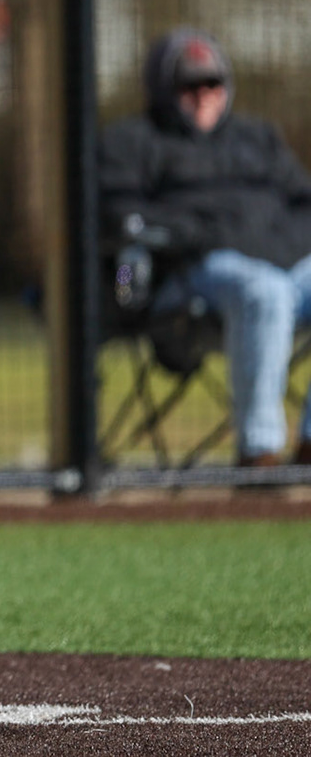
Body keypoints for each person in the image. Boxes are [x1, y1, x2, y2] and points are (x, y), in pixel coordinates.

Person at [99, 27, 311, 467]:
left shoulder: (258, 138)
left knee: (275, 283)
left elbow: (303, 202)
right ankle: (259, 452)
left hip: (283, 261)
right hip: (190, 276)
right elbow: (122, 220)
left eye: (212, 84)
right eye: (188, 86)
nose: (202, 96)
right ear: (163, 90)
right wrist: (195, 235)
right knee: (266, 290)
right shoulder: (132, 141)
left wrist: (282, 242)